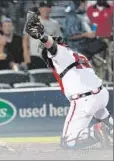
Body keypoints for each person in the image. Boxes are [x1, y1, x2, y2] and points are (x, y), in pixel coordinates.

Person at [24, 11, 113, 149]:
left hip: (84, 99)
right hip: (100, 95)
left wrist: (42, 36)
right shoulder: (77, 55)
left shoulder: (62, 53)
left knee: (68, 142)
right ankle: (110, 130)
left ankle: (96, 132)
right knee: (102, 116)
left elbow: (52, 47)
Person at [22, 2, 62, 70]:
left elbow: (58, 41)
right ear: (39, 9)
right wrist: (26, 56)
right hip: (35, 56)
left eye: (48, 7)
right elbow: (25, 40)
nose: (46, 9)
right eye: (43, 7)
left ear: (50, 9)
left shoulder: (55, 23)